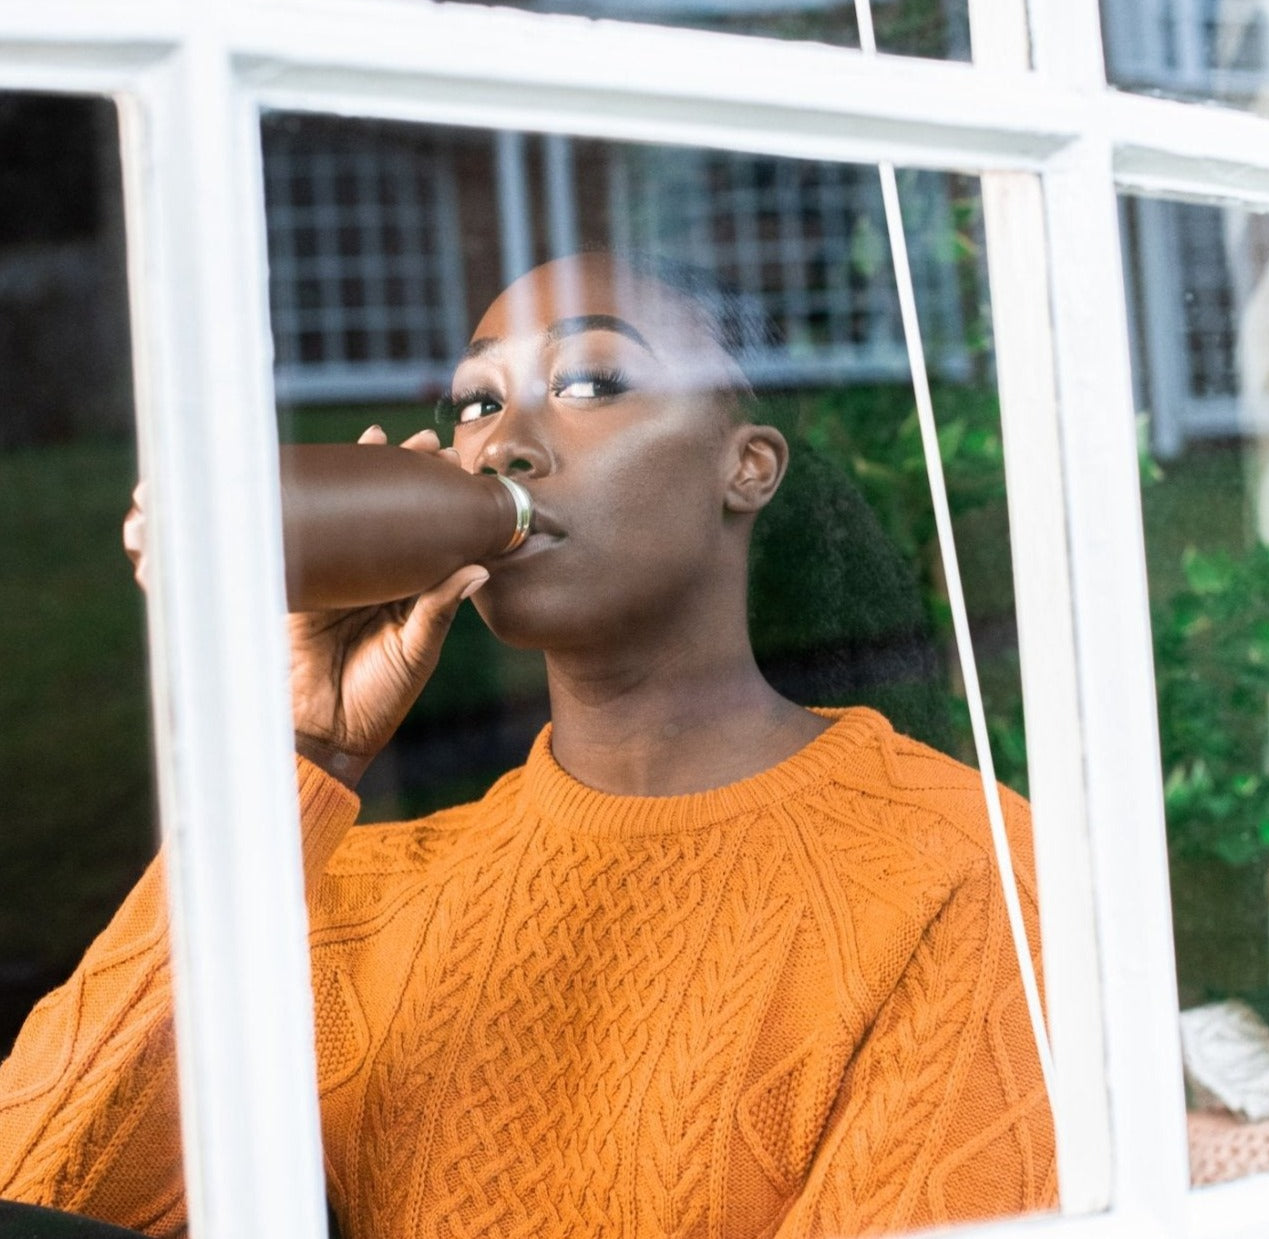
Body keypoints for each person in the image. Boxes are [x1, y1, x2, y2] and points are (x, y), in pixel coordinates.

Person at [0, 252, 1055, 1238]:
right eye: (476, 400)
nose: (500, 441)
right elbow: (41, 1189)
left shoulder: (961, 868)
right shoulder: (359, 893)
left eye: (591, 383)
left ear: (746, 466)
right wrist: (303, 752)